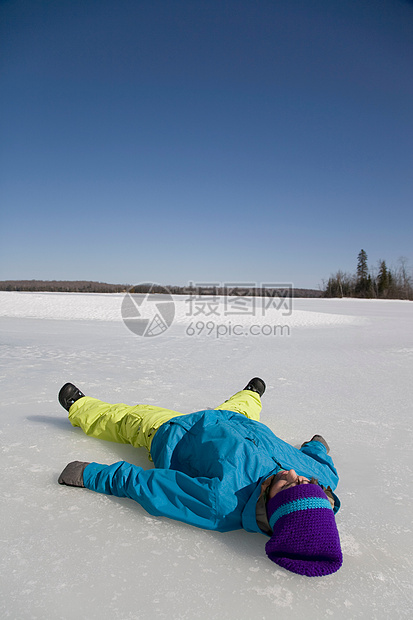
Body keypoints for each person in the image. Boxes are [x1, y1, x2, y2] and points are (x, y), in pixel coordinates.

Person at [58, 378, 343, 577]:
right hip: (237, 421)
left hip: (178, 432)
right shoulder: (320, 478)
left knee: (128, 419)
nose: (293, 473)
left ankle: (81, 407)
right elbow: (320, 463)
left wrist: (92, 475)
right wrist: (316, 446)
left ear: (272, 507)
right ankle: (250, 393)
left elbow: (152, 487)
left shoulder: (222, 503)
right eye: (304, 481)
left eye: (287, 485)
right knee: (243, 406)